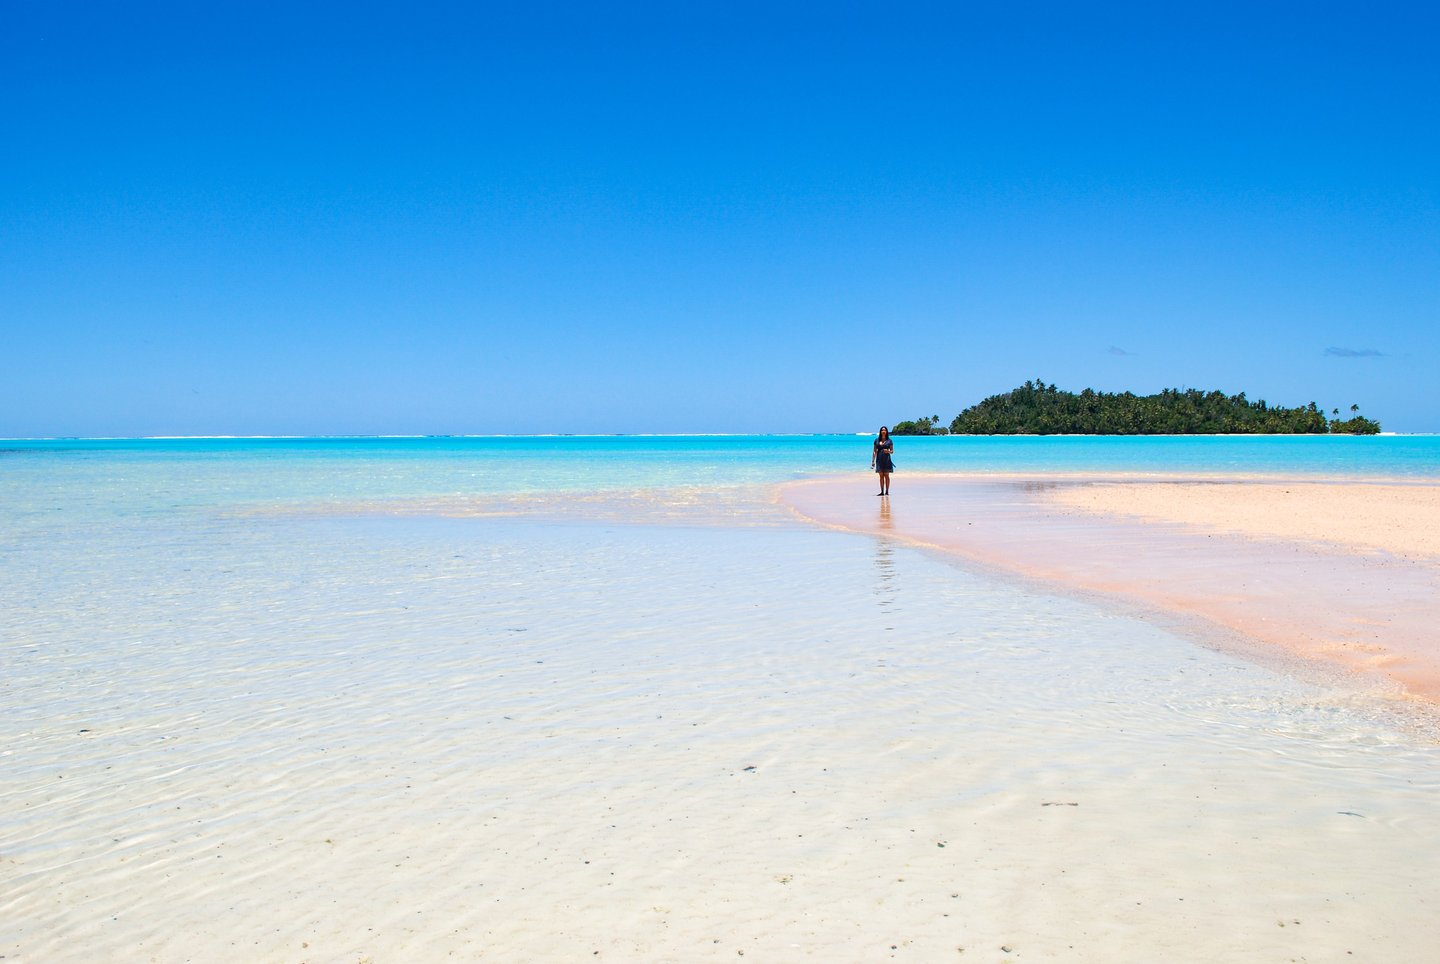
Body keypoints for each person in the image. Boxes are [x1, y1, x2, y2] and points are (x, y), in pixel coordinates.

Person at [871, 426, 893, 496]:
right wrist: (873, 461)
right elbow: (874, 451)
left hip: (887, 460)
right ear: (880, 432)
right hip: (879, 460)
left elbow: (892, 451)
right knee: (881, 476)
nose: (883, 431)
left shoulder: (889, 441)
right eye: (882, 430)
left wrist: (888, 451)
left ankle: (887, 491)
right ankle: (882, 491)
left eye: (885, 430)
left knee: (886, 476)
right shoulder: (876, 440)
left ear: (886, 432)